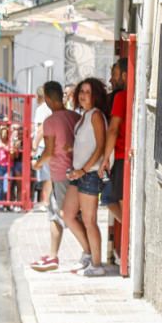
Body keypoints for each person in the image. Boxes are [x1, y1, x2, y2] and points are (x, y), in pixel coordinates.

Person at [29, 81, 81, 272]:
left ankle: (87, 252)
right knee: (62, 214)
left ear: (49, 99)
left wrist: (37, 162)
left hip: (60, 173)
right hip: (77, 171)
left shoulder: (50, 122)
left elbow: (49, 152)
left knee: (64, 215)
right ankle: (53, 255)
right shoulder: (76, 117)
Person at [62, 78, 110, 277]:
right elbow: (87, 143)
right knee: (68, 214)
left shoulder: (96, 115)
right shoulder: (84, 116)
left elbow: (100, 147)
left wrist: (83, 170)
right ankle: (88, 253)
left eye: (88, 92)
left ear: (96, 95)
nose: (83, 95)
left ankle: (97, 265)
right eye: (81, 91)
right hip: (78, 174)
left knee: (90, 220)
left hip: (89, 174)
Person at [99, 58, 129, 223]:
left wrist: (105, 158)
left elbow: (113, 129)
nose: (111, 79)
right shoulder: (128, 96)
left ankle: (129, 233)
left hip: (119, 157)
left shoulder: (121, 97)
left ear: (124, 75)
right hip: (123, 156)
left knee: (115, 200)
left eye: (114, 75)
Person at [32, 85, 52, 207]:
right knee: (48, 175)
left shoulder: (41, 109)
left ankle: (46, 202)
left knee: (46, 175)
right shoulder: (51, 108)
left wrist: (34, 145)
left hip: (43, 145)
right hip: (49, 144)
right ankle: (47, 201)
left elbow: (41, 128)